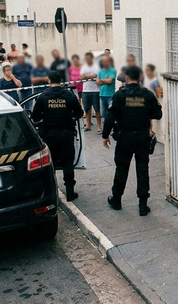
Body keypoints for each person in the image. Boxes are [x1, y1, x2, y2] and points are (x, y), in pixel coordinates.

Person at [102, 66, 163, 216]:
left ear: (127, 78)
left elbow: (110, 117)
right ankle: (143, 205)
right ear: (140, 77)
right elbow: (158, 114)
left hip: (125, 138)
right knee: (142, 169)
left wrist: (105, 135)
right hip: (142, 137)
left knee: (121, 169)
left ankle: (116, 199)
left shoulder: (119, 95)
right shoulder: (147, 95)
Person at [31, 71, 84, 202]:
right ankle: (70, 192)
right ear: (61, 80)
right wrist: (68, 115)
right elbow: (79, 113)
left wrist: (45, 116)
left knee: (51, 164)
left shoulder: (43, 96)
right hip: (66, 134)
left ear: (49, 80)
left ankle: (51, 192)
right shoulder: (69, 95)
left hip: (49, 135)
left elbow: (35, 117)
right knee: (68, 163)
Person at [80, 52, 101, 132]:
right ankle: (88, 125)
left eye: (89, 58)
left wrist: (86, 76)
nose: (87, 60)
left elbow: (95, 75)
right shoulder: (84, 67)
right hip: (85, 90)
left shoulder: (96, 66)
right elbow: (81, 77)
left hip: (95, 90)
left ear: (92, 58)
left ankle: (99, 126)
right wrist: (89, 76)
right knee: (87, 109)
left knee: (97, 109)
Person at [97, 55, 117, 124]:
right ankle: (106, 126)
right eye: (103, 61)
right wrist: (105, 81)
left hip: (110, 94)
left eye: (106, 61)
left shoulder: (113, 70)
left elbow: (110, 81)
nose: (105, 63)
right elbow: (98, 82)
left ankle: (112, 126)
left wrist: (102, 80)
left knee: (111, 111)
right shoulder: (100, 71)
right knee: (104, 113)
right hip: (102, 94)